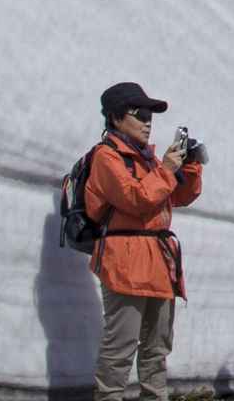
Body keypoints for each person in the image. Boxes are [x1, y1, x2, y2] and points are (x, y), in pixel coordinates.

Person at [87, 82, 205, 401]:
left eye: (150, 113)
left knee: (156, 349)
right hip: (124, 261)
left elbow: (177, 197)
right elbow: (136, 199)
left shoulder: (146, 160)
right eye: (139, 113)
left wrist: (190, 166)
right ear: (115, 118)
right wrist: (167, 168)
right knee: (120, 347)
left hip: (158, 262)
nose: (148, 120)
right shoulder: (107, 157)